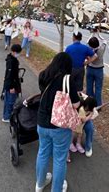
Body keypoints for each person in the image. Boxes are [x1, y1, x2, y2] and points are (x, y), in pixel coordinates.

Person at [36, 52, 79, 192]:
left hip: (42, 122)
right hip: (59, 125)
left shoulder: (44, 74)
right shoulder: (67, 79)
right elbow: (76, 105)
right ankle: (57, 188)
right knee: (59, 159)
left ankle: (40, 184)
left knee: (42, 152)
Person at [69, 94, 98, 159]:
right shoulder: (82, 110)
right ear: (88, 106)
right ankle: (70, 144)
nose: (92, 109)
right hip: (76, 125)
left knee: (80, 135)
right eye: (92, 107)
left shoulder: (86, 109)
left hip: (80, 127)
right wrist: (91, 114)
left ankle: (78, 144)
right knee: (73, 134)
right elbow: (84, 120)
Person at [2, 44, 22, 122]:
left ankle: (7, 115)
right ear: (13, 52)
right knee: (10, 102)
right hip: (11, 85)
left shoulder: (12, 58)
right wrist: (11, 87)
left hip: (11, 83)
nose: (18, 54)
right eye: (17, 52)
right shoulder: (11, 61)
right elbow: (10, 75)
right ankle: (7, 117)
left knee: (9, 101)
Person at [86, 37, 106, 107]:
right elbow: (104, 41)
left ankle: (89, 103)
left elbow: (87, 41)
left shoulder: (88, 49)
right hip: (99, 70)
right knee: (98, 88)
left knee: (89, 87)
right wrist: (99, 34)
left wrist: (92, 33)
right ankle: (98, 105)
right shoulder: (101, 49)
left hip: (90, 69)